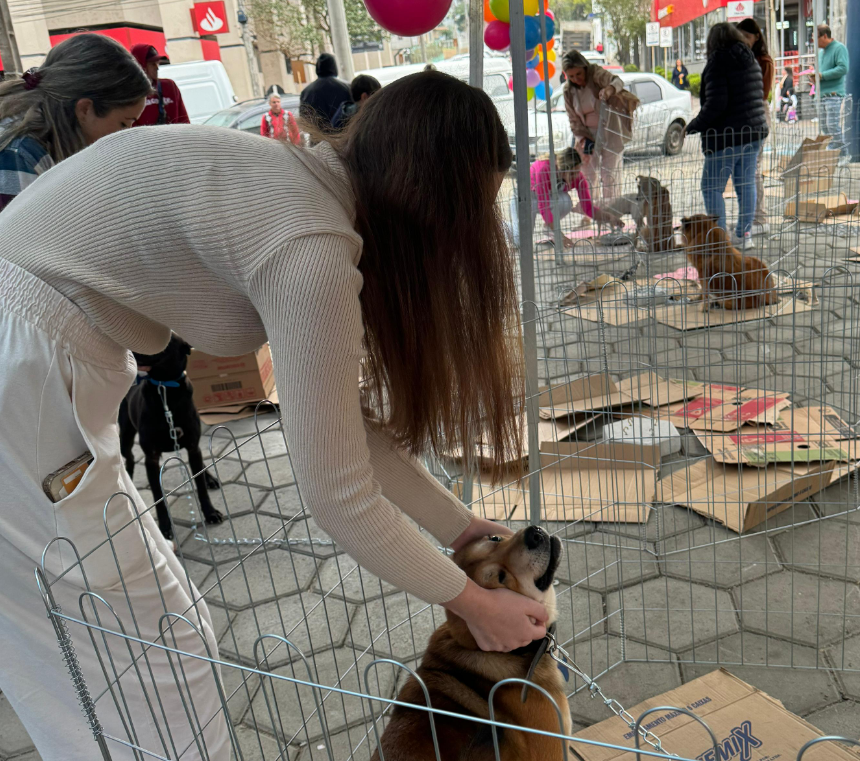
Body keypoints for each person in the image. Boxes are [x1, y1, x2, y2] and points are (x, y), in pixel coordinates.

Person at [0, 71, 547, 760]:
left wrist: (461, 527)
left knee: (168, 638)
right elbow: (338, 495)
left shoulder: (302, 192)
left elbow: (337, 426)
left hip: (38, 363)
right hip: (20, 370)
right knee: (112, 668)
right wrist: (474, 604)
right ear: (428, 205)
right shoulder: (309, 246)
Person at [0, 34, 150, 213]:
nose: (125, 135)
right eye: (123, 124)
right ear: (85, 109)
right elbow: (21, 238)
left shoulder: (46, 140)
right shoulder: (19, 154)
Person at [684, 22, 768, 249]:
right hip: (754, 133)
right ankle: (743, 235)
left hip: (726, 137)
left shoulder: (718, 63)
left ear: (713, 42)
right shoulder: (750, 59)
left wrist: (693, 125)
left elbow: (716, 104)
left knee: (711, 187)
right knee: (746, 183)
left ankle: (719, 241)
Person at [561, 49, 638, 202]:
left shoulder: (596, 73)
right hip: (586, 135)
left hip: (611, 132)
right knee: (587, 173)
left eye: (578, 74)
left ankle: (612, 210)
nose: (576, 79)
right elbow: (573, 119)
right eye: (571, 76)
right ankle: (592, 211)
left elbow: (618, 81)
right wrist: (582, 139)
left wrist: (609, 89)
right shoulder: (568, 90)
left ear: (584, 68)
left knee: (609, 174)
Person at [512, 147, 622, 246]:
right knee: (520, 242)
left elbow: (588, 208)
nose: (576, 176)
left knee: (566, 201)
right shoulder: (544, 170)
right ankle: (503, 226)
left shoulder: (578, 178)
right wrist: (559, 235)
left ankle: (549, 228)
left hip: (542, 199)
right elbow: (544, 206)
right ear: (562, 169)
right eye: (572, 173)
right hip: (525, 198)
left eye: (577, 171)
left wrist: (609, 217)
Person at [737, 18, 773, 234]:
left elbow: (763, 92)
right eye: (742, 37)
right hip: (745, 115)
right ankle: (749, 218)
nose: (745, 42)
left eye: (748, 37)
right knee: (746, 170)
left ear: (757, 37)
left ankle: (760, 219)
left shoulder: (763, 60)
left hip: (757, 113)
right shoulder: (744, 57)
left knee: (753, 170)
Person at [130, 43, 189, 126]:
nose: (157, 67)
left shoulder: (169, 86)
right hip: (146, 138)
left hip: (174, 137)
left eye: (157, 63)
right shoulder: (130, 94)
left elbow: (184, 120)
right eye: (152, 64)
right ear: (141, 66)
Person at [816, 25, 849, 153]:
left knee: (832, 125)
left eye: (816, 38)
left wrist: (822, 76)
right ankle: (836, 150)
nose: (815, 42)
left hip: (833, 93)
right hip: (822, 93)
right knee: (825, 125)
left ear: (825, 36)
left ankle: (842, 152)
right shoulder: (820, 53)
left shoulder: (839, 48)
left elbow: (843, 68)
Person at [299, 52, 351, 132]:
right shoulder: (347, 87)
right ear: (334, 66)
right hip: (342, 137)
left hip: (318, 139)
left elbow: (304, 120)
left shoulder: (306, 92)